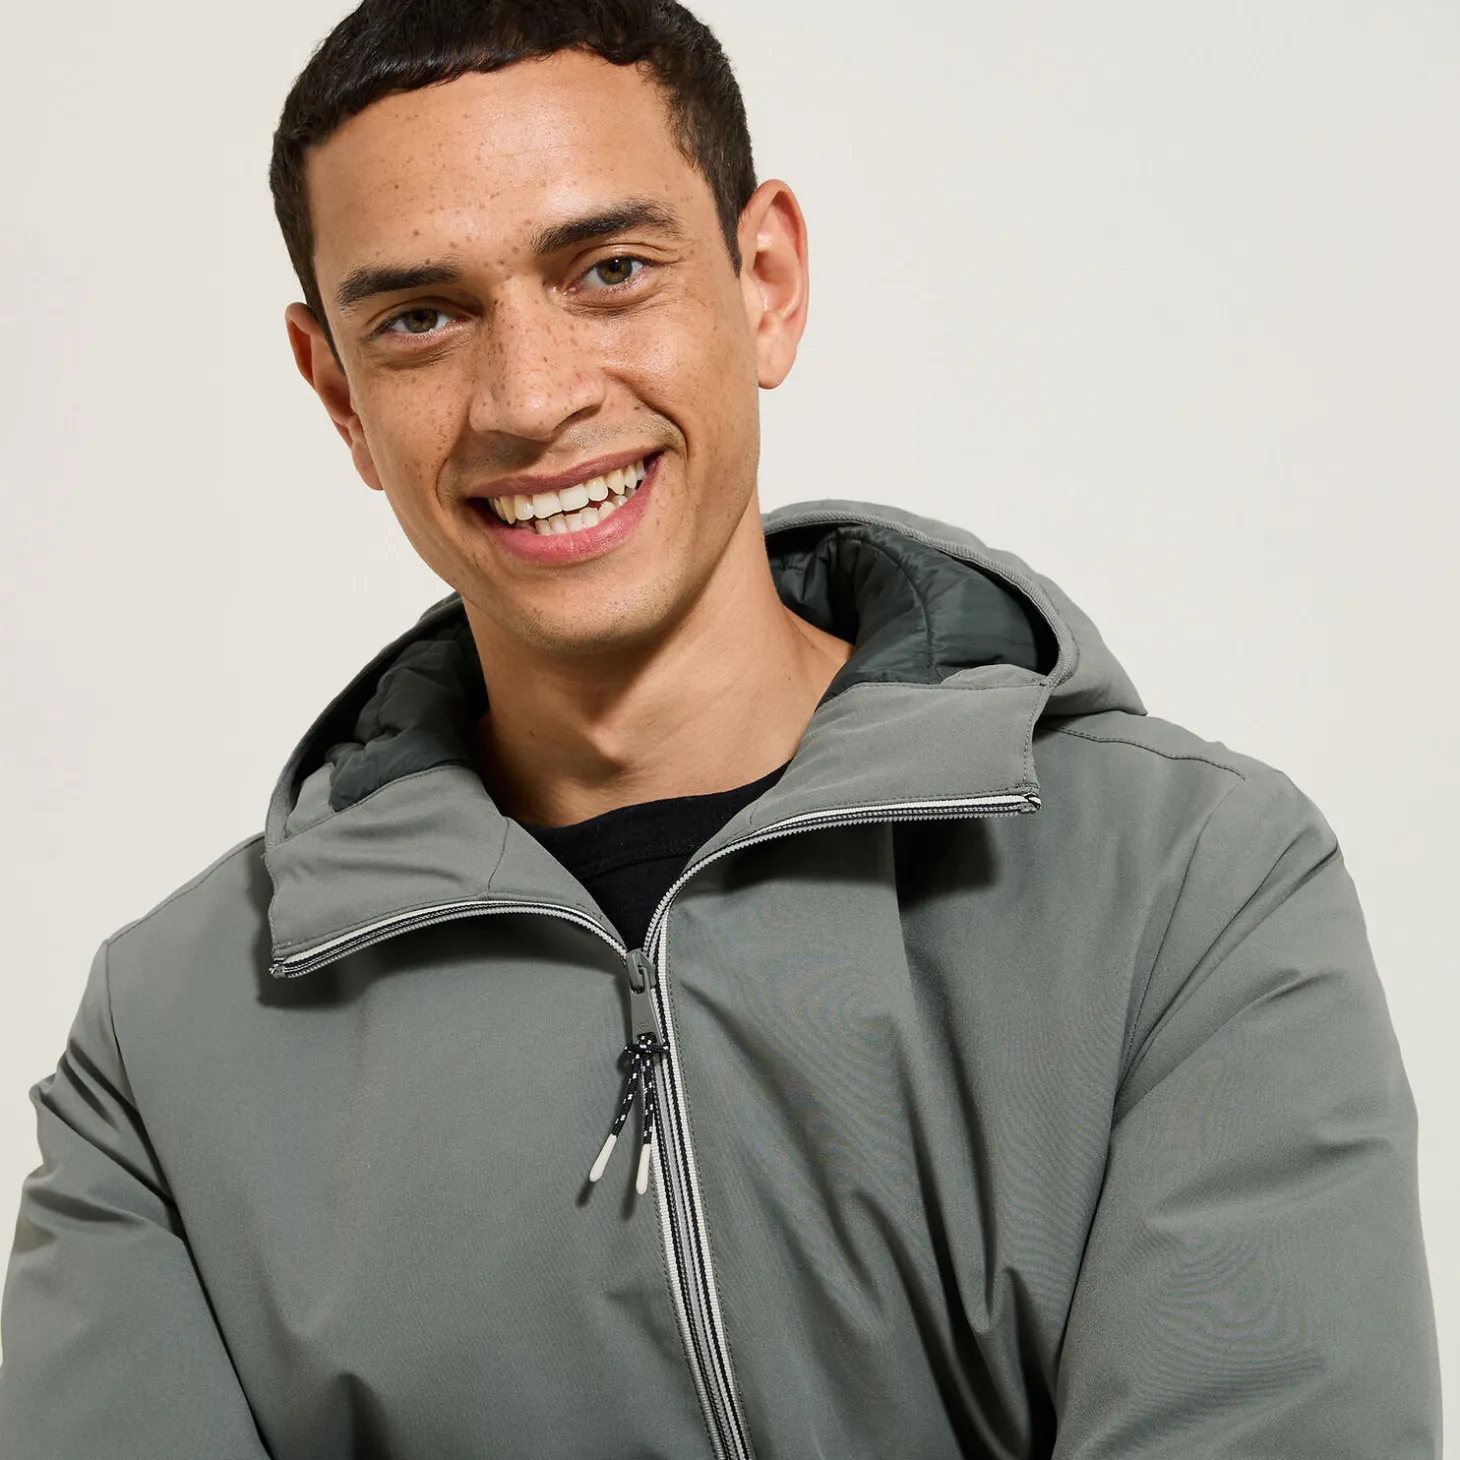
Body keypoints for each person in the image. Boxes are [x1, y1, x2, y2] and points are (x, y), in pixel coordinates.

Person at [0, 0, 1441, 1454]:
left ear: (766, 283)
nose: (531, 399)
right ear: (338, 393)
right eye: (421, 318)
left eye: (610, 271)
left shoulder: (1186, 886)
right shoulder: (166, 1052)